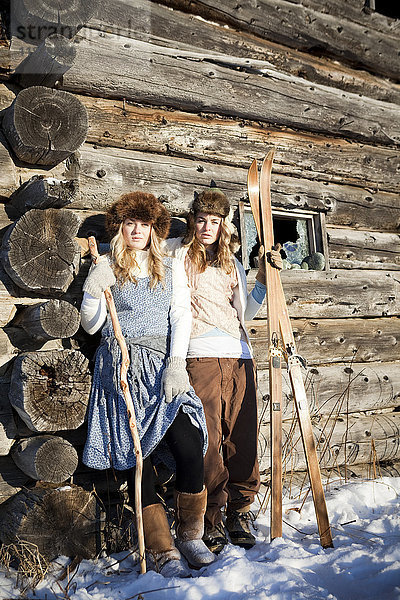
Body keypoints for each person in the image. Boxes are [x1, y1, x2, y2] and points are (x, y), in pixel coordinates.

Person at [80, 192, 216, 577]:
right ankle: (161, 548)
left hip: (161, 367)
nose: (137, 230)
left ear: (155, 229)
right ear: (120, 227)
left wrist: (176, 364)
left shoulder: (169, 266)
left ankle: (191, 533)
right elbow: (91, 326)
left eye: (144, 223)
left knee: (189, 443)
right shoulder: (106, 263)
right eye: (129, 223)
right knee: (136, 459)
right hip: (120, 369)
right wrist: (94, 286)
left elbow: (181, 316)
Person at [166, 187, 282, 553]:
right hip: (201, 354)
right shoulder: (180, 256)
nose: (207, 227)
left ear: (223, 225)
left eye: (214, 221)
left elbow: (245, 312)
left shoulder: (232, 262)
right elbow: (180, 311)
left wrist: (263, 276)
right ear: (192, 221)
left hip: (240, 354)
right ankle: (212, 516)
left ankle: (240, 511)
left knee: (243, 437)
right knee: (209, 437)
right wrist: (176, 360)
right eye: (201, 219)